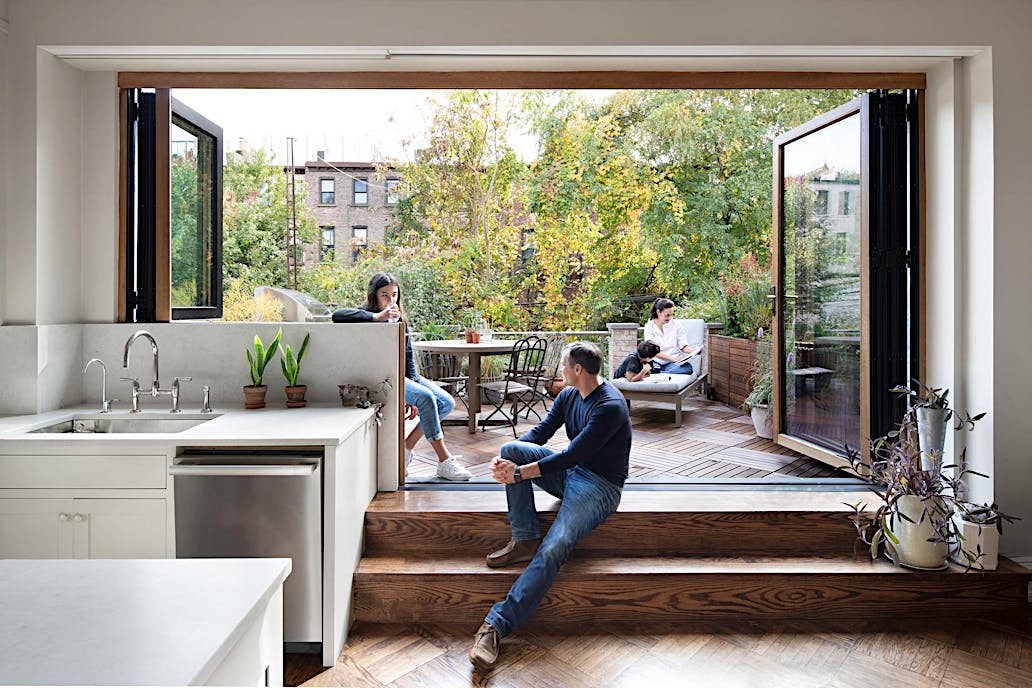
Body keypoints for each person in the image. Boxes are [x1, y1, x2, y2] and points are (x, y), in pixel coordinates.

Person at [469, 342, 632, 670]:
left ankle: (496, 625)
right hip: (570, 473)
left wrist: (517, 474)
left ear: (577, 371)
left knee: (555, 546)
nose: (558, 369)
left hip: (598, 487)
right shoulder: (569, 395)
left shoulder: (610, 406)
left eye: (563, 364)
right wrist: (506, 460)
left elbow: (573, 454)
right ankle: (525, 537)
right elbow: (541, 434)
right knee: (511, 448)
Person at [332, 272, 472, 481]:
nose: (391, 301)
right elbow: (337, 316)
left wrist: (413, 390)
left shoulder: (399, 319)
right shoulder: (365, 316)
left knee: (446, 402)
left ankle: (405, 449)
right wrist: (377, 317)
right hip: (379, 376)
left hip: (401, 375)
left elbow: (407, 360)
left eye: (394, 295)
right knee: (426, 398)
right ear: (374, 296)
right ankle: (444, 460)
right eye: (384, 295)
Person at [643, 297, 696, 375]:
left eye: (671, 315)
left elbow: (683, 346)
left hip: (671, 364)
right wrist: (675, 359)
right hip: (656, 362)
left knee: (688, 368)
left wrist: (694, 351)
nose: (670, 318)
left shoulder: (676, 324)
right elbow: (654, 352)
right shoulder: (649, 327)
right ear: (658, 312)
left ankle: (659, 373)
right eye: (667, 315)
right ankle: (659, 371)